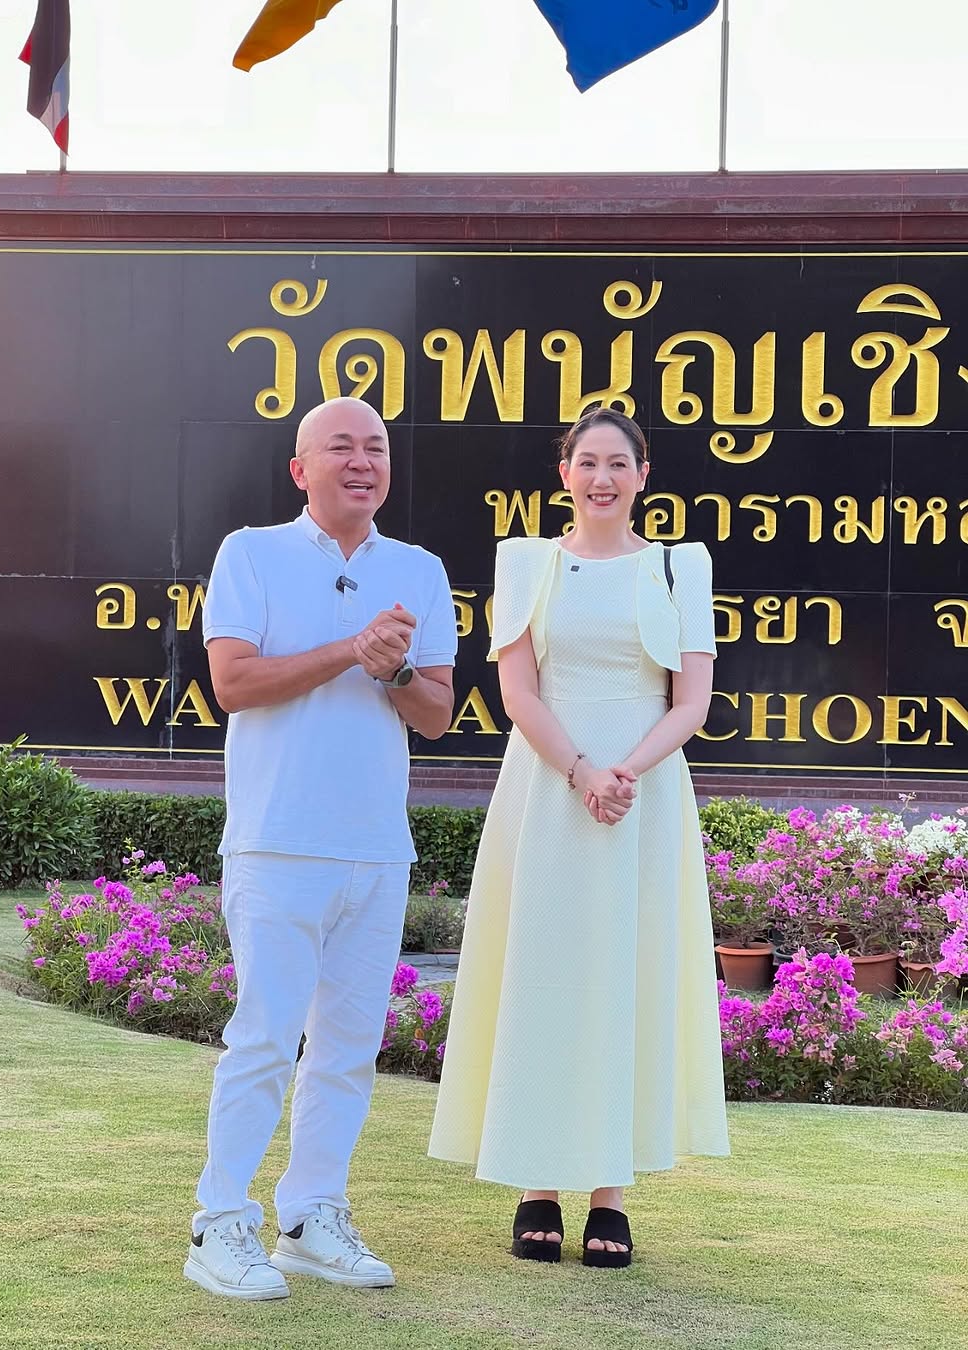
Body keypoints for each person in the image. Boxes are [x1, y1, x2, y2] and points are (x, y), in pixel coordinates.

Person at [428, 408, 729, 1268]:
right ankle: (536, 1186)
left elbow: (691, 701)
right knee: (544, 974)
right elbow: (519, 693)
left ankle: (609, 1196)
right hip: (549, 791)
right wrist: (581, 772)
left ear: (644, 475)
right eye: (587, 462)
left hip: (643, 797)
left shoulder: (679, 568)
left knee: (624, 980)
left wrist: (624, 771)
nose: (603, 478)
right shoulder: (527, 564)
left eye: (618, 464)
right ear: (565, 473)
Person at [185, 397, 457, 1300]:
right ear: (301, 469)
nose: (362, 461)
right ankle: (220, 1223)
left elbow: (435, 713)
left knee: (346, 1049)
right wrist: (351, 649)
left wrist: (395, 669)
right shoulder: (250, 552)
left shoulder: (419, 569)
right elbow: (233, 683)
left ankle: (310, 1217)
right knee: (264, 1040)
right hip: (277, 841)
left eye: (376, 448)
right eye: (341, 447)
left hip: (376, 848)